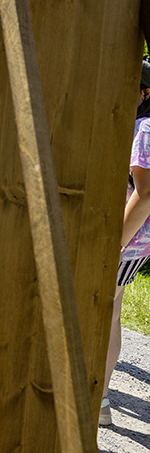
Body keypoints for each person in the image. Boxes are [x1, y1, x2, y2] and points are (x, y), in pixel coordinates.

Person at [101, 59, 150, 425]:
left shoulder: (144, 128)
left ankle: (92, 398)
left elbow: (145, 192)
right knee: (109, 314)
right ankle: (98, 401)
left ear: (145, 93)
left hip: (125, 240)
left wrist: (114, 241)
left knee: (99, 316)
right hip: (132, 241)